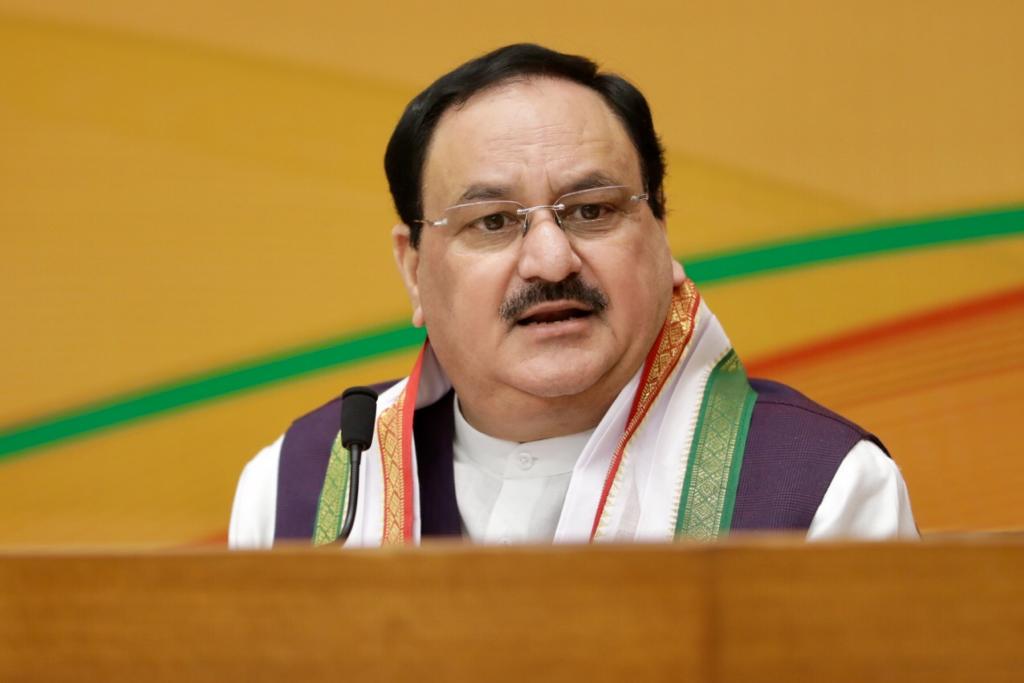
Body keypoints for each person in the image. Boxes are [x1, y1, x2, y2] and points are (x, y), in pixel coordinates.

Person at [229, 44, 917, 549]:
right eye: (492, 221)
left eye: (591, 210)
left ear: (661, 234)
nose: (551, 259)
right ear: (414, 271)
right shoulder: (303, 483)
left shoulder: (821, 487)